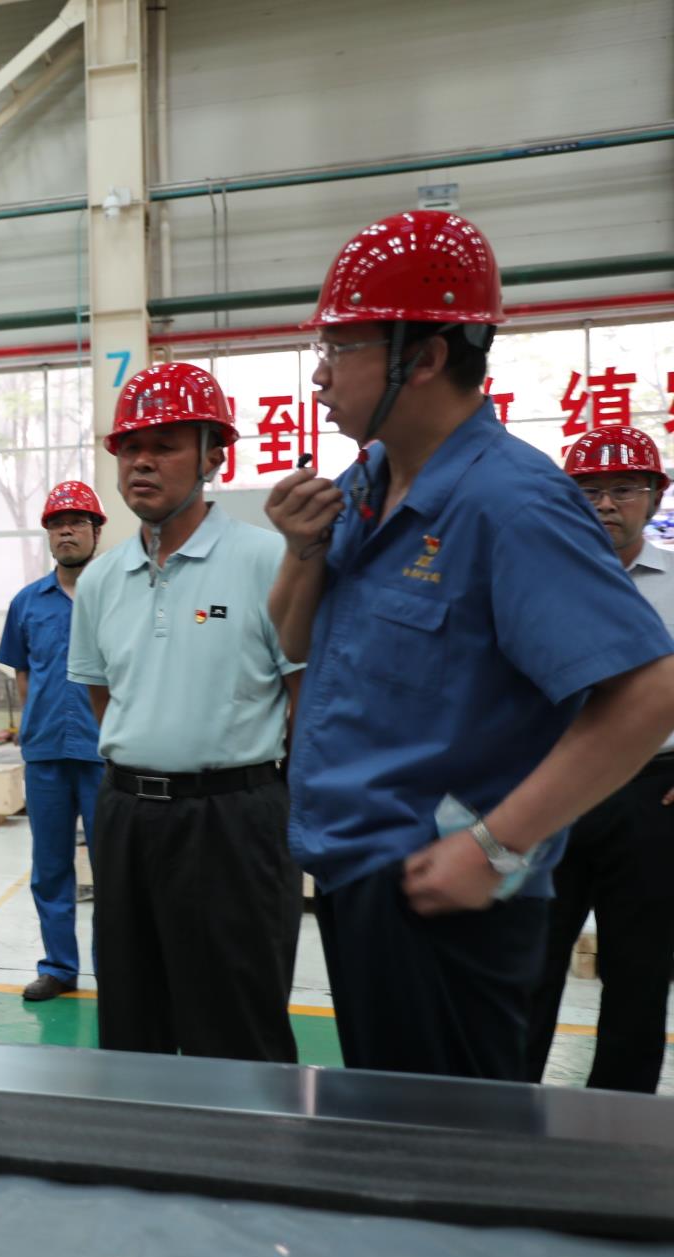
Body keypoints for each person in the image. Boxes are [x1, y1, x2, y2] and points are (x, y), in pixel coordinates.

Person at [266, 210, 674, 1083]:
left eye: (342, 345)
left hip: (445, 893)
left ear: (423, 357)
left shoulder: (511, 503)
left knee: (443, 1146)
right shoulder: (368, 482)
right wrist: (301, 550)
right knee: (389, 1125)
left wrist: (494, 845)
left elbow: (649, 691)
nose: (320, 371)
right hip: (357, 873)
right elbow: (292, 639)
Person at [67, 362, 302, 1063]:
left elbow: (304, 698)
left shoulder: (267, 559)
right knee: (131, 1016)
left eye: (164, 445)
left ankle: (246, 1138)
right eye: (130, 447)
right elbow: (104, 696)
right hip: (126, 817)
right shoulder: (102, 579)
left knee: (236, 1023)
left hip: (233, 820)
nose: (141, 461)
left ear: (212, 456)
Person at [523, 425, 674, 1092]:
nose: (606, 504)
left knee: (639, 971)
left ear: (655, 497)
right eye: (588, 491)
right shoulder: (531, 580)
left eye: (624, 488)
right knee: (526, 965)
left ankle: (621, 1119)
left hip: (651, 794)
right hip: (548, 789)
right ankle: (503, 1113)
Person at [0, 481, 105, 1002]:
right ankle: (59, 967)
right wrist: (38, 723)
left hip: (105, 754)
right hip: (45, 755)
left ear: (96, 531)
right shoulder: (26, 603)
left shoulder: (116, 596)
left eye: (77, 522)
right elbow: (23, 674)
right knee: (50, 867)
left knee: (114, 869)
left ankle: (116, 970)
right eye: (57, 524)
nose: (66, 531)